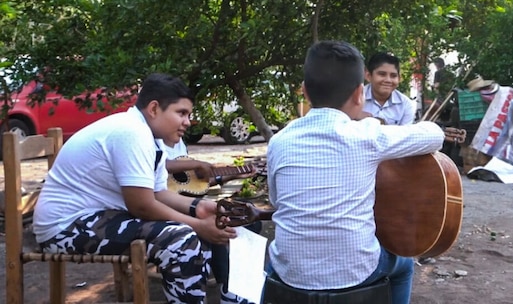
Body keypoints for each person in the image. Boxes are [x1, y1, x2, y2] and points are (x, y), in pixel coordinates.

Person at [33, 73, 241, 304]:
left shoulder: (150, 137)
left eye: (188, 115)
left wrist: (200, 207)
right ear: (154, 108)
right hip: (64, 227)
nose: (187, 122)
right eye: (181, 113)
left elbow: (158, 193)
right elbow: (142, 205)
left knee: (212, 224)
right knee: (183, 238)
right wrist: (197, 225)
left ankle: (233, 298)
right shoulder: (132, 132)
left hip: (98, 216)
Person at [265, 40, 445, 304]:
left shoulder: (279, 141)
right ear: (361, 93)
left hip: (290, 274)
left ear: (304, 91)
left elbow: (276, 202)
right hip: (356, 271)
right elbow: (435, 135)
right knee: (404, 265)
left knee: (276, 259)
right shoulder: (367, 134)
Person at [157, 136, 260, 304]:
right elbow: (162, 165)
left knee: (246, 215)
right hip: (170, 210)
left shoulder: (179, 143)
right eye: (180, 113)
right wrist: (196, 163)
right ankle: (228, 284)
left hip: (191, 204)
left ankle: (237, 282)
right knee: (217, 225)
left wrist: (233, 175)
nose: (186, 121)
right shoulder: (153, 140)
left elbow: (196, 184)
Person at [361, 52, 417, 125]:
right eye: (382, 74)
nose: (388, 80)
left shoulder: (405, 105)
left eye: (393, 76)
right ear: (368, 76)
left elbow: (404, 134)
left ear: (399, 79)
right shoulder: (354, 99)